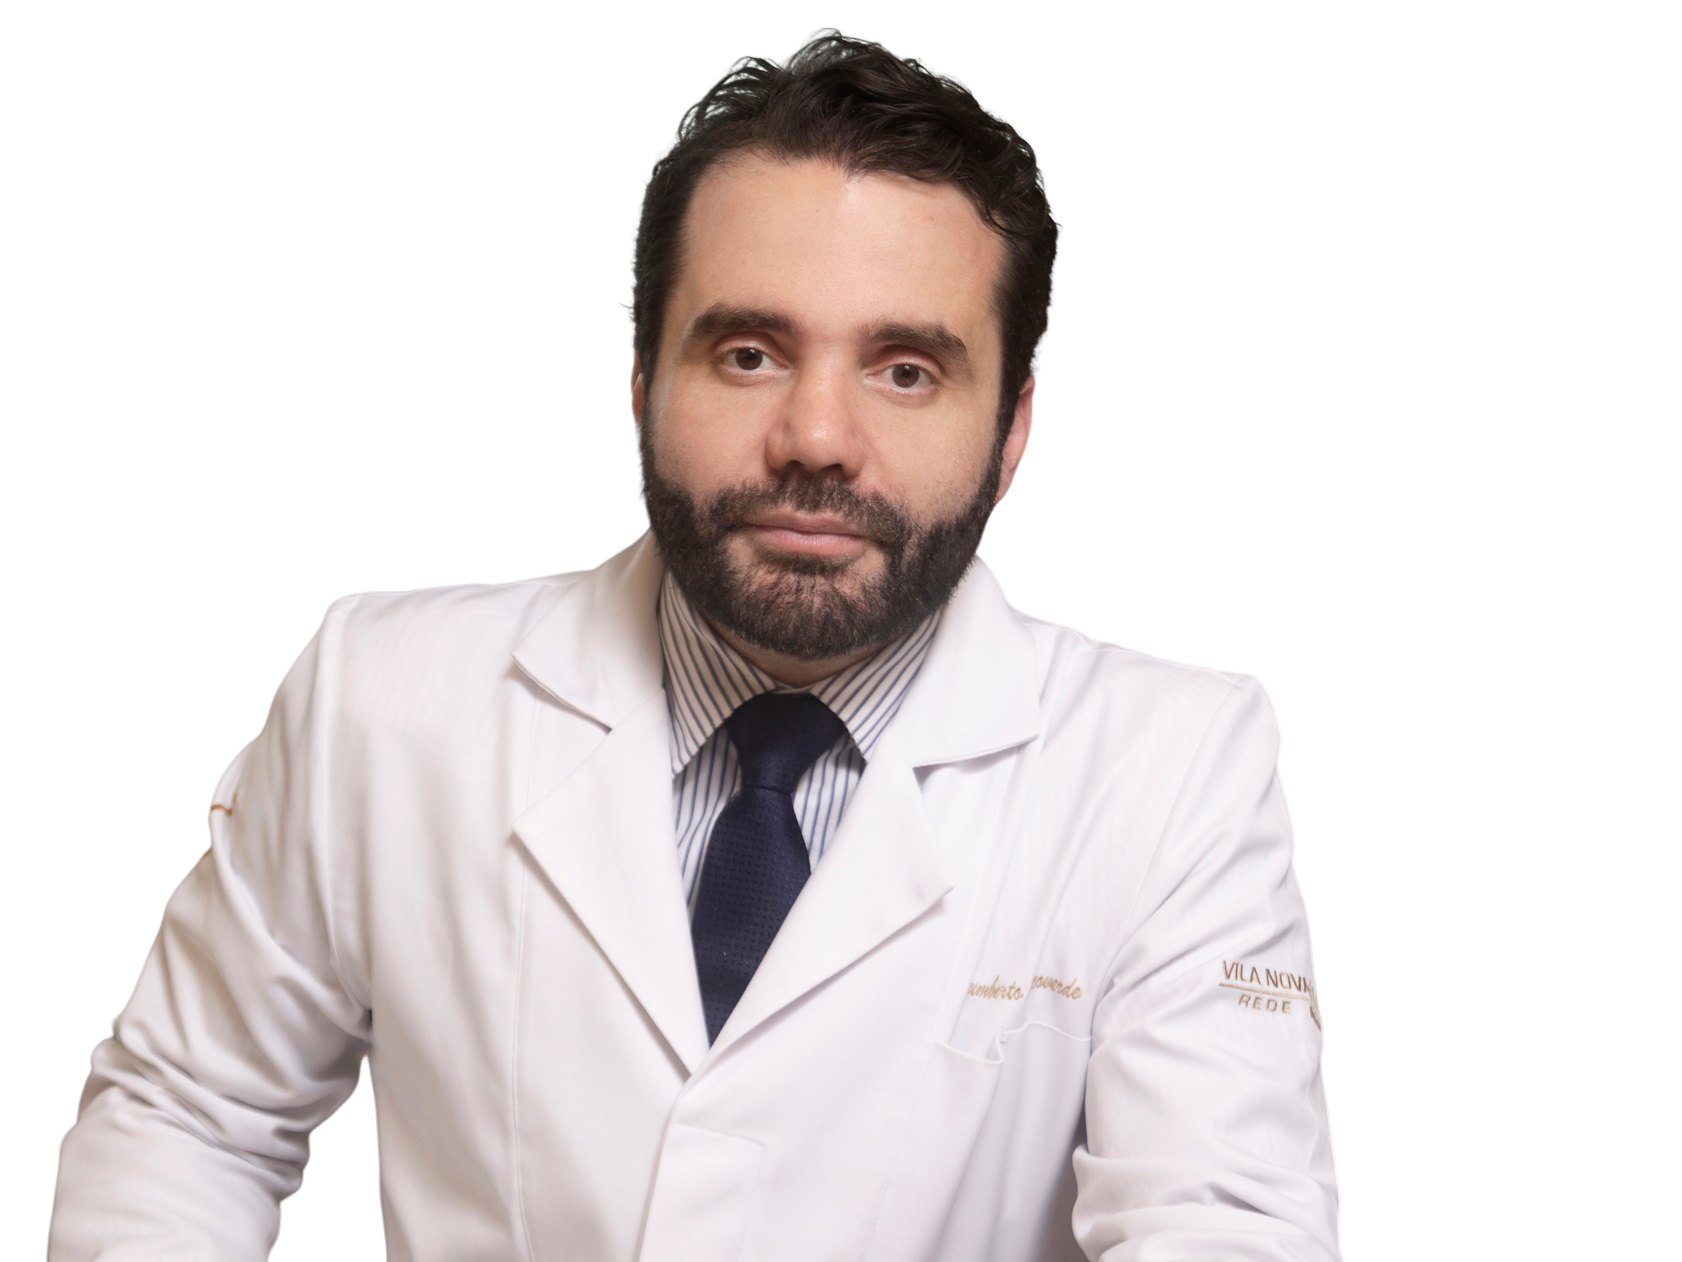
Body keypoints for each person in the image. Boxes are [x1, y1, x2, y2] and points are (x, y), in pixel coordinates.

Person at [49, 29, 1341, 1261]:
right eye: (748, 352)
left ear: (1012, 428)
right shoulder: (378, 694)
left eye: (904, 369)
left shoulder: (1177, 770)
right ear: (641, 383)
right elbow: (185, 1115)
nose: (816, 438)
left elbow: (1222, 1226)